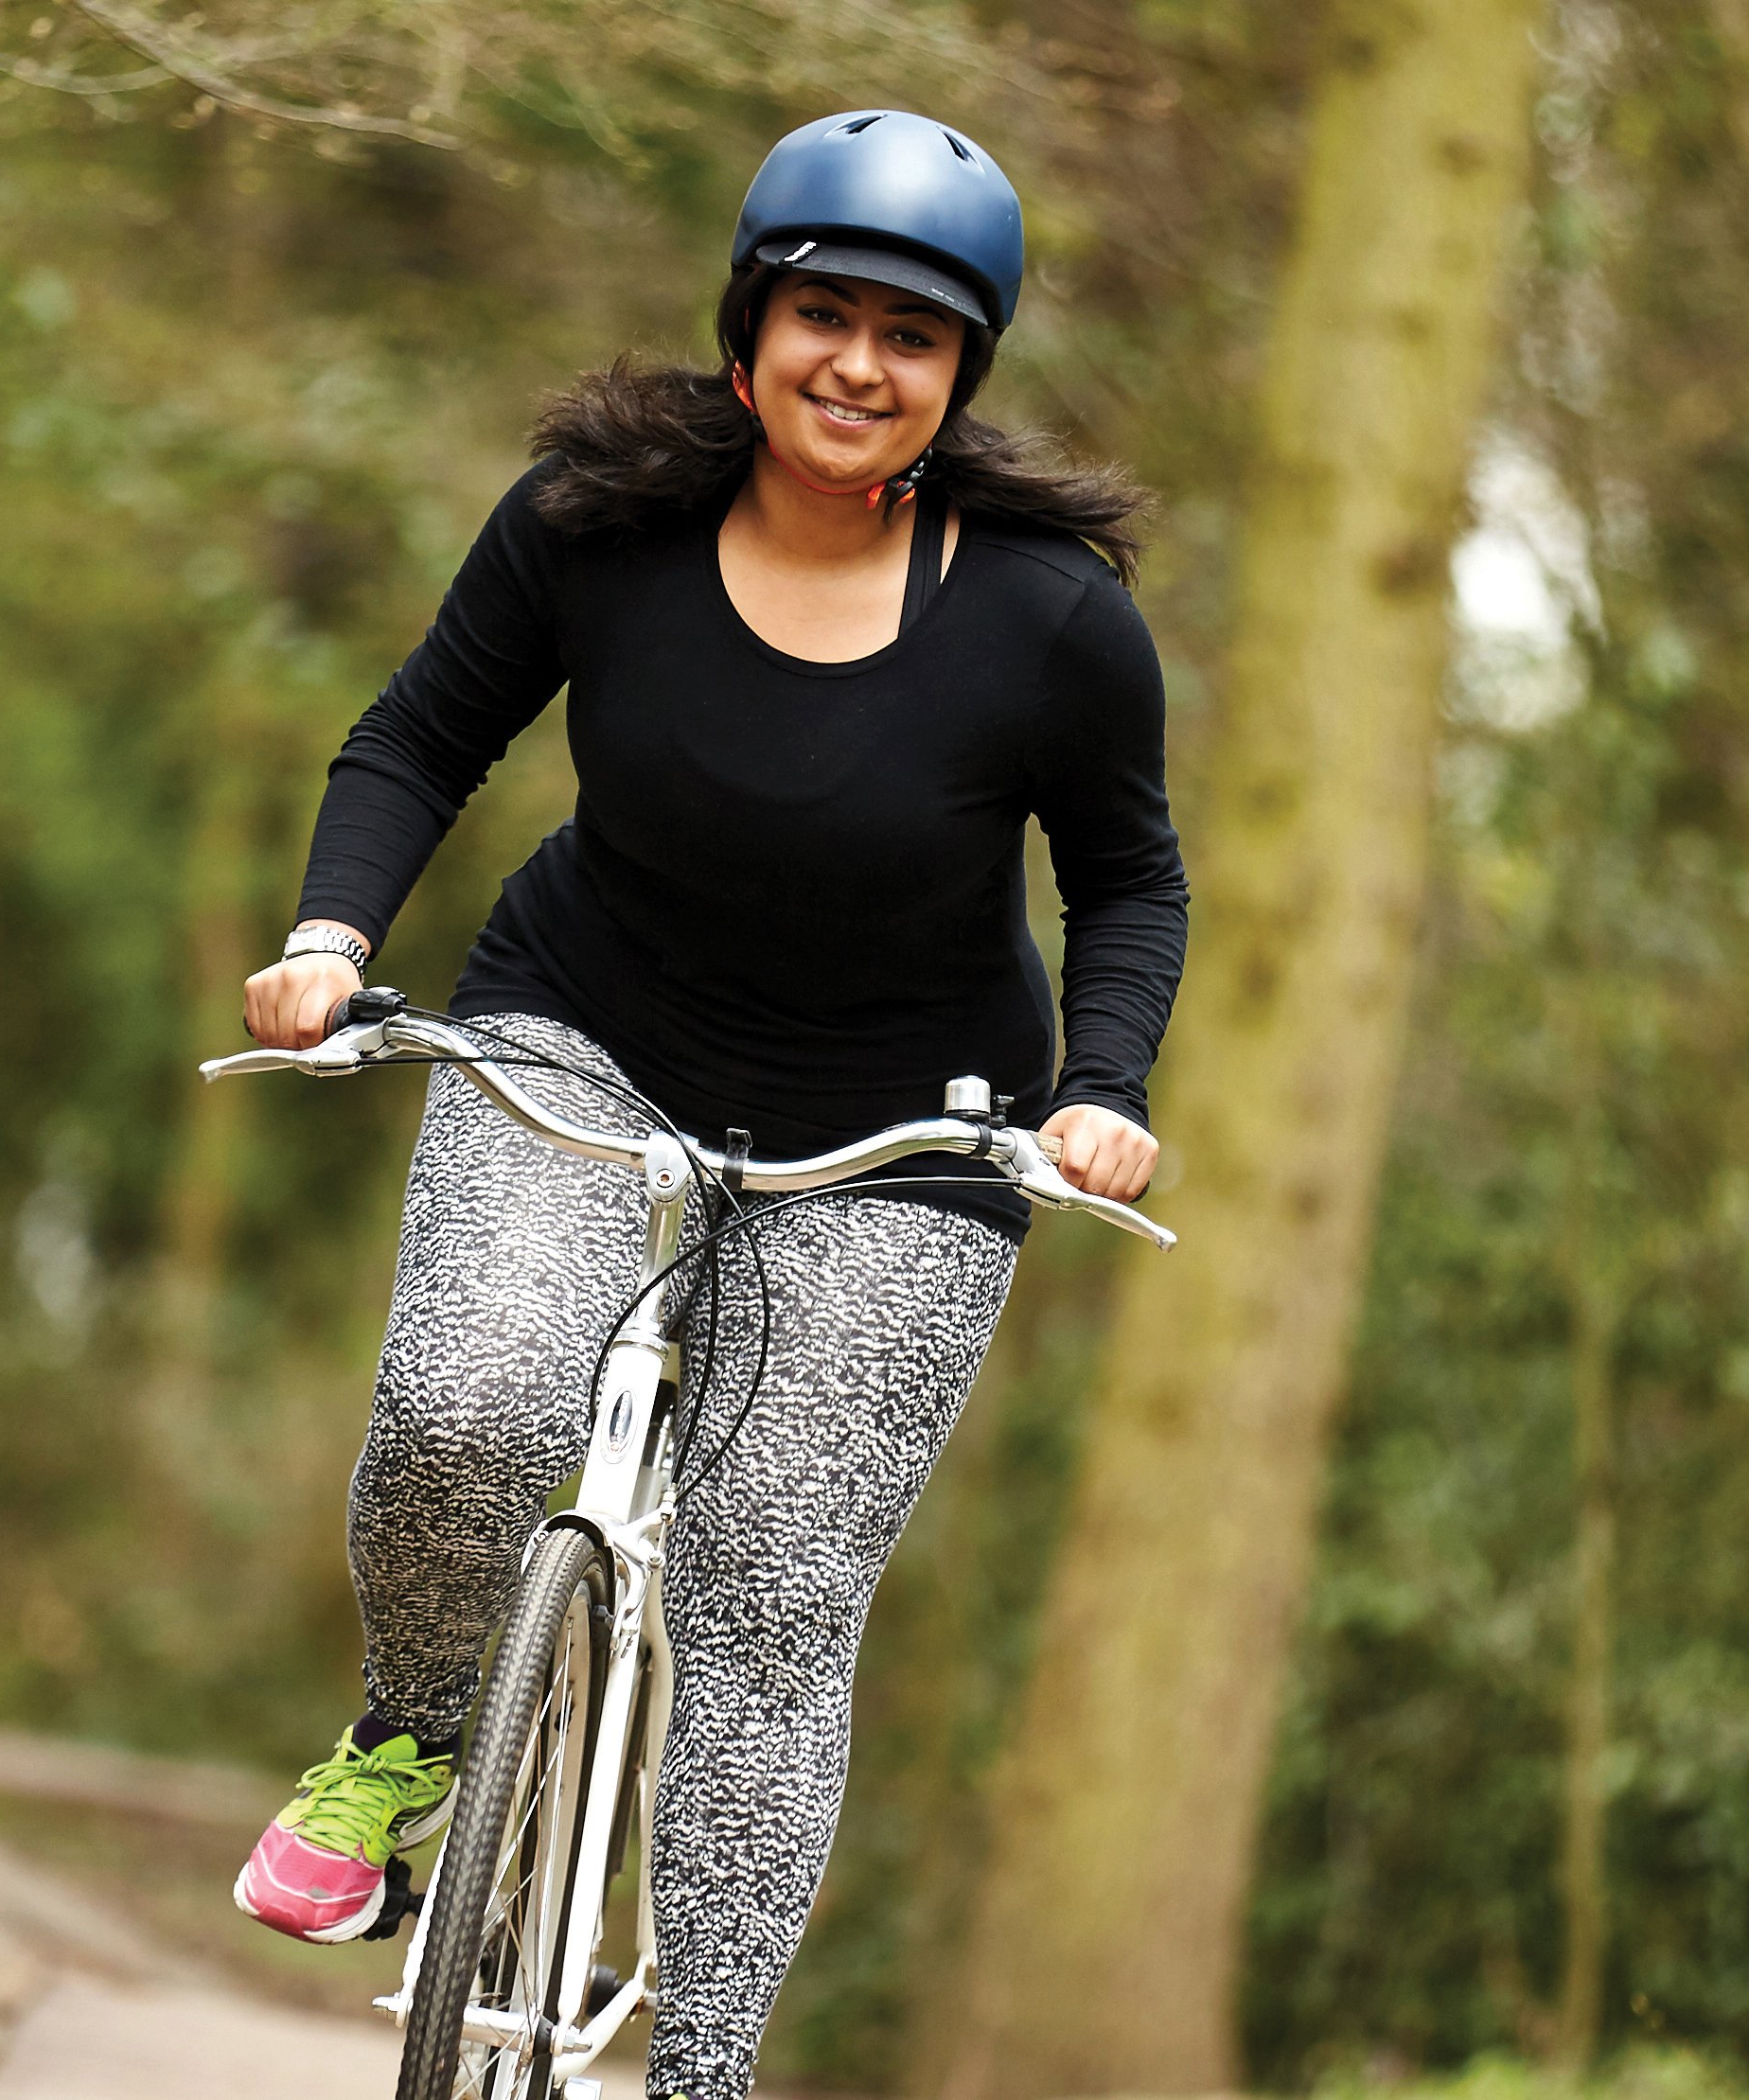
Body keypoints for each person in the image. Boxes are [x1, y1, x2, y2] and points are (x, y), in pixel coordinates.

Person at [221, 107, 1187, 2099]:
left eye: (910, 337)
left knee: (771, 1589)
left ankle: (702, 2073)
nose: (857, 363)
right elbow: (421, 731)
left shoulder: (1047, 619)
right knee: (466, 1398)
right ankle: (407, 1737)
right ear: (748, 331)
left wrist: (1101, 1093)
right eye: (821, 314)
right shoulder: (594, 521)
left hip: (907, 1129)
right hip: (582, 1023)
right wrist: (329, 941)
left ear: (960, 375)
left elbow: (1128, 877)